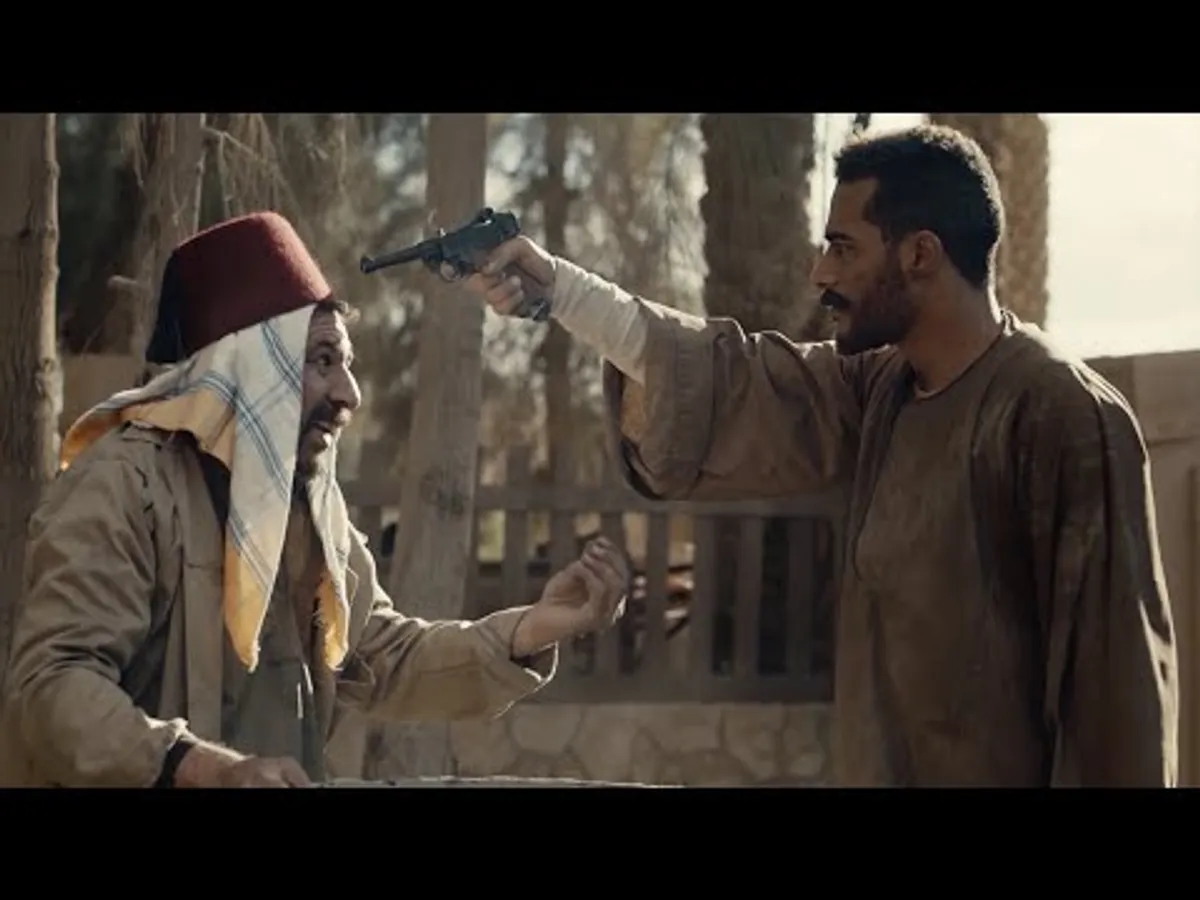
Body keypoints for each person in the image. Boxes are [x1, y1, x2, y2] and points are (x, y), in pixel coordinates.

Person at [461, 123, 1180, 787]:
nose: (820, 275)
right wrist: (562, 290)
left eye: (843, 248)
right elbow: (737, 378)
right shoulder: (879, 390)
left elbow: (1117, 698)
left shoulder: (1060, 414)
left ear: (920, 254)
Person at [0, 211, 630, 789]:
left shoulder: (306, 504)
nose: (349, 394)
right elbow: (52, 688)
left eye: (346, 363)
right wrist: (204, 768)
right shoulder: (127, 486)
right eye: (322, 360)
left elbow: (383, 654)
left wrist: (534, 628)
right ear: (246, 371)